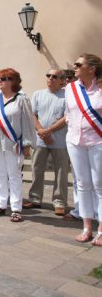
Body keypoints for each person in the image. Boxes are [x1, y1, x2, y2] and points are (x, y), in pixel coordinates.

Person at [0, 68, 36, 223]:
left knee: (14, 175)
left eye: (4, 78)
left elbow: (27, 122)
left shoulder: (21, 99)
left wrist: (26, 143)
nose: (0, 81)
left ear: (13, 81)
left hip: (13, 143)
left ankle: (16, 207)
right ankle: (1, 203)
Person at [65, 53, 102, 245]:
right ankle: (87, 227)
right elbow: (68, 113)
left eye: (78, 64)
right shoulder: (70, 88)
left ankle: (101, 229)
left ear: (91, 68)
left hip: (98, 141)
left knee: (99, 185)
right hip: (74, 141)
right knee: (82, 184)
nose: (74, 66)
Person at [23, 69, 69, 215]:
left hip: (60, 140)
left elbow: (67, 117)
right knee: (37, 169)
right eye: (48, 75)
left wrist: (49, 131)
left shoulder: (67, 95)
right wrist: (42, 131)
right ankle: (35, 198)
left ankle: (59, 201)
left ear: (62, 80)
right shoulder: (38, 94)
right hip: (41, 139)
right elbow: (32, 115)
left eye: (54, 76)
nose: (50, 78)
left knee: (61, 171)